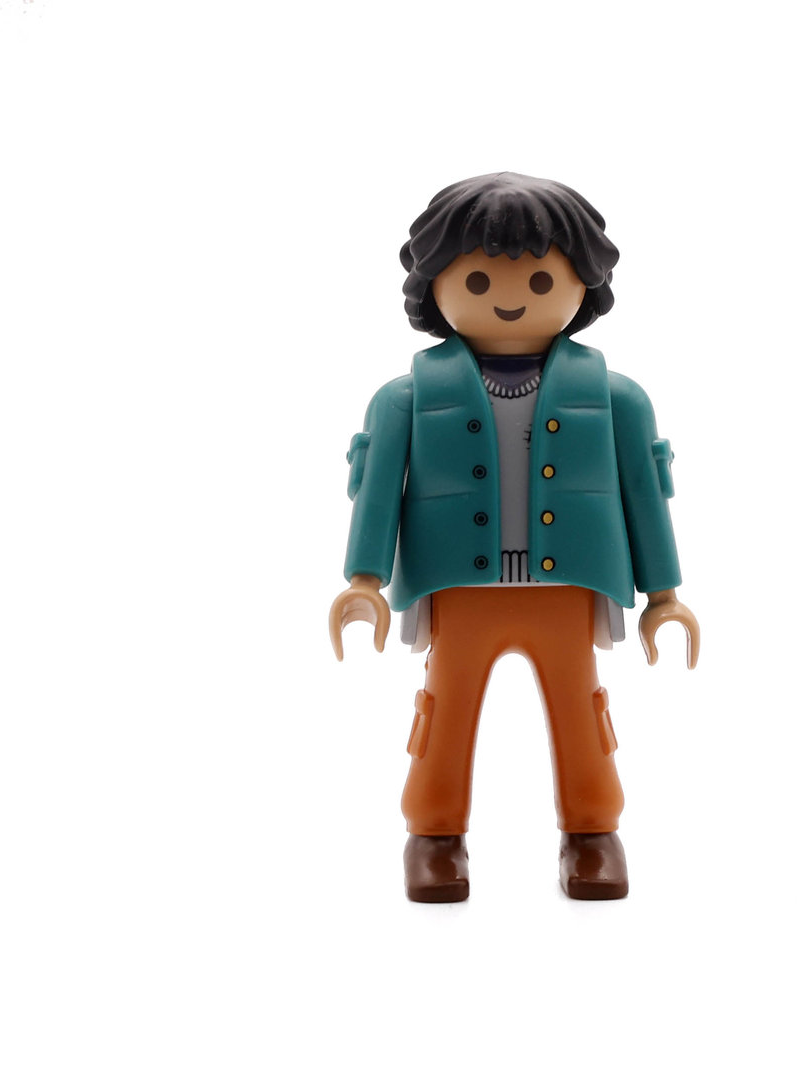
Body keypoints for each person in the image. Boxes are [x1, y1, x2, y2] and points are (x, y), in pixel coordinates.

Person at [329, 172, 699, 901]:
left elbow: (644, 494)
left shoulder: (616, 398)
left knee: (580, 709)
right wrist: (363, 581)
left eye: (539, 279)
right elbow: (376, 489)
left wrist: (664, 595)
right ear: (434, 285)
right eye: (476, 279)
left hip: (567, 586)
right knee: (445, 709)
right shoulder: (407, 397)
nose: (509, 297)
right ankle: (434, 834)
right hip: (458, 587)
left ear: (583, 284)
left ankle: (592, 831)